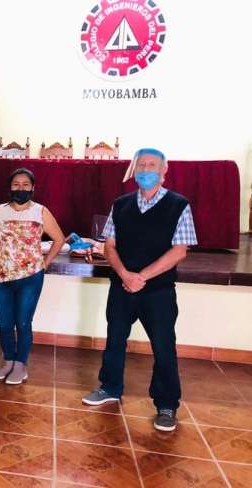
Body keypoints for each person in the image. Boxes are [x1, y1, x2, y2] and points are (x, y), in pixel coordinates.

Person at [82, 148, 197, 432]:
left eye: (152, 165)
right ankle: (109, 387)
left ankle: (166, 405)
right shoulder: (120, 204)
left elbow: (180, 250)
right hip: (121, 285)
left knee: (163, 347)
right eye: (141, 165)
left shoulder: (178, 204)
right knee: (115, 339)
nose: (145, 170)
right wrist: (124, 274)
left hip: (158, 290)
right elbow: (109, 246)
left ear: (163, 170)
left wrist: (141, 277)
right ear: (134, 170)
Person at [0, 168, 65, 385]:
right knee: (4, 323)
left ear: (32, 188)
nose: (21, 188)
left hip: (30, 278)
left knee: (23, 322)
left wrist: (45, 263)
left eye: (25, 184)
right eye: (16, 184)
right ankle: (8, 361)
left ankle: (20, 365)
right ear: (10, 187)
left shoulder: (40, 211)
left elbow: (59, 239)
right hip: (1, 276)